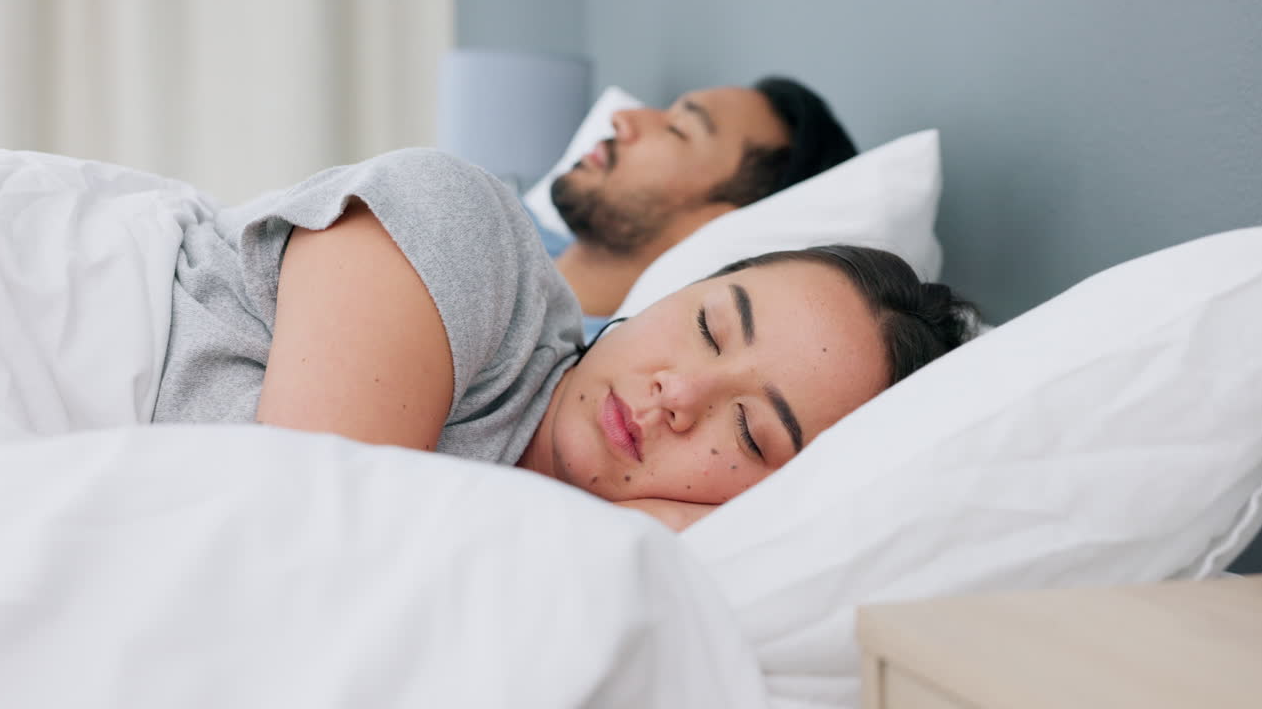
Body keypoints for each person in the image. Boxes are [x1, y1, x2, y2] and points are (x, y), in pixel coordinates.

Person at [154, 149, 974, 530]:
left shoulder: (596, 566)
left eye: (752, 434)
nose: (679, 396)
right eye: (705, 327)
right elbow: (281, 551)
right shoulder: (467, 242)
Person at [540, 76, 858, 339]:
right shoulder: (510, 229)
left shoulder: (550, 375)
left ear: (720, 223)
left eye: (678, 128)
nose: (622, 117)